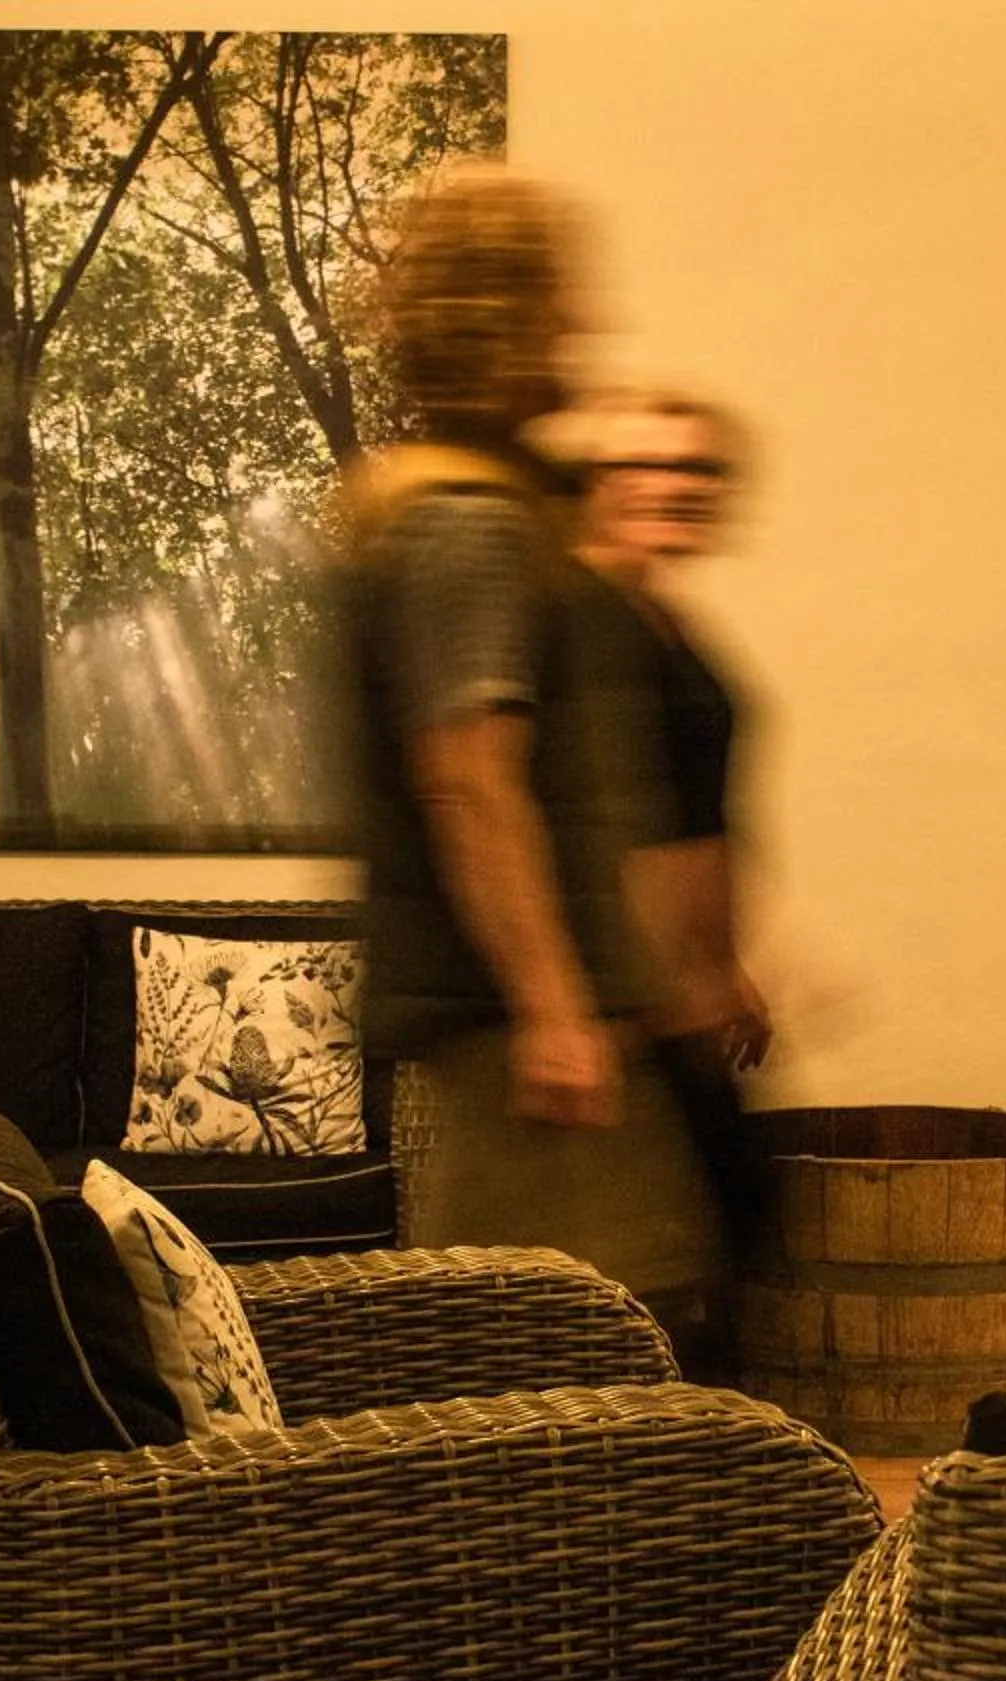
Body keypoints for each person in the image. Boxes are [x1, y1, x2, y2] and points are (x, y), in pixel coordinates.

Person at [341, 168, 719, 1314]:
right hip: (516, 1054)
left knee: (578, 1367)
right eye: (563, 299)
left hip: (544, 1034)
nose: (584, 325)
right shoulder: (465, 525)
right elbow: (470, 780)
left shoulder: (485, 508)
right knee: (538, 1381)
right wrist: (554, 1012)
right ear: (508, 319)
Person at [568, 391, 775, 1352]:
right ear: (599, 485)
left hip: (685, 1005)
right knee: (657, 1294)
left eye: (699, 469)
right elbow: (600, 824)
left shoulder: (662, 625)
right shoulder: (581, 620)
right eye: (647, 465)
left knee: (724, 1254)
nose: (676, 487)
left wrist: (726, 967)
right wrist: (655, 990)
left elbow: (696, 820)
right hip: (627, 1015)